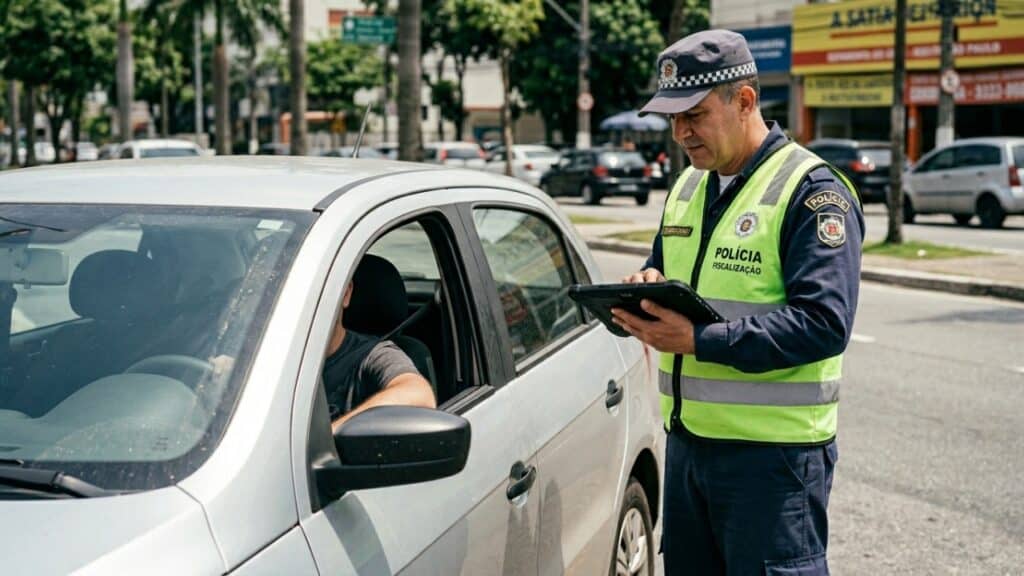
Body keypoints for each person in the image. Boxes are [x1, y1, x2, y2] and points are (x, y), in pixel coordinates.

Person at [611, 30, 863, 575]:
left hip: (773, 461)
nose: (681, 133)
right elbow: (665, 270)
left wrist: (697, 341)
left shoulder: (811, 191)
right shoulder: (688, 187)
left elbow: (823, 324)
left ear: (744, 101)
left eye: (694, 115)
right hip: (689, 446)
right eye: (673, 119)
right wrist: (646, 286)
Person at [322, 280, 436, 433]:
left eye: (317, 291)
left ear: (346, 294)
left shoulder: (373, 355)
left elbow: (419, 396)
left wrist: (327, 436)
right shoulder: (288, 357)